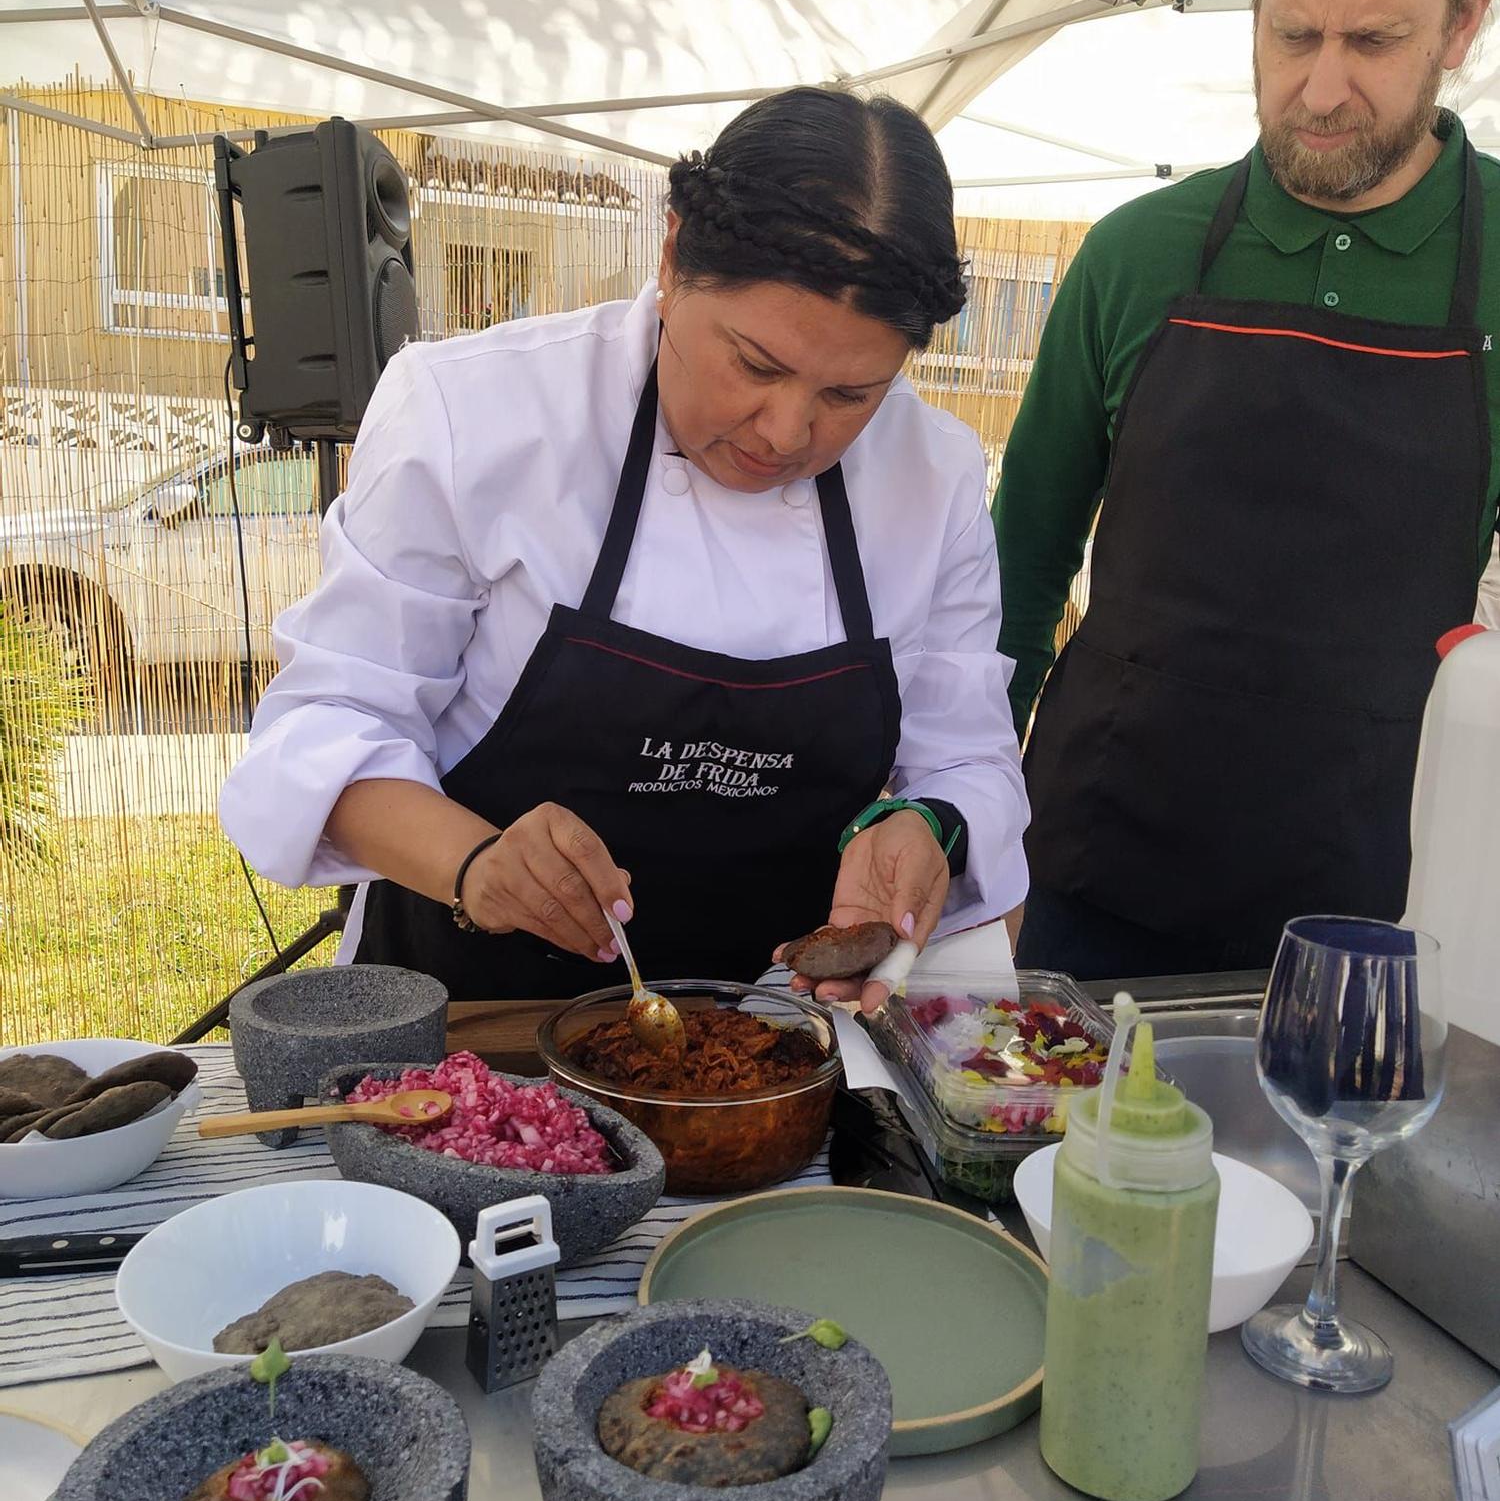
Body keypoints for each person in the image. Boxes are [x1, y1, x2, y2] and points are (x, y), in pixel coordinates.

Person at [221, 87, 1029, 1011]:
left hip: (780, 1036)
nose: (786, 430)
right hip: (469, 1027)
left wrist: (931, 823)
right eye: (756, 365)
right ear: (676, 255)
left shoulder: (938, 474)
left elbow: (969, 759)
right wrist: (476, 861)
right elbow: (324, 730)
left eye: (851, 395)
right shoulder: (473, 412)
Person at [992, 0, 1500, 982]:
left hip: (1371, 921)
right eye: (1289, 33)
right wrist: (957, 830)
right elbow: (1015, 577)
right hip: (1092, 883)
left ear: (1466, 17)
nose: (1320, 90)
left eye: (1372, 42)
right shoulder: (1135, 255)